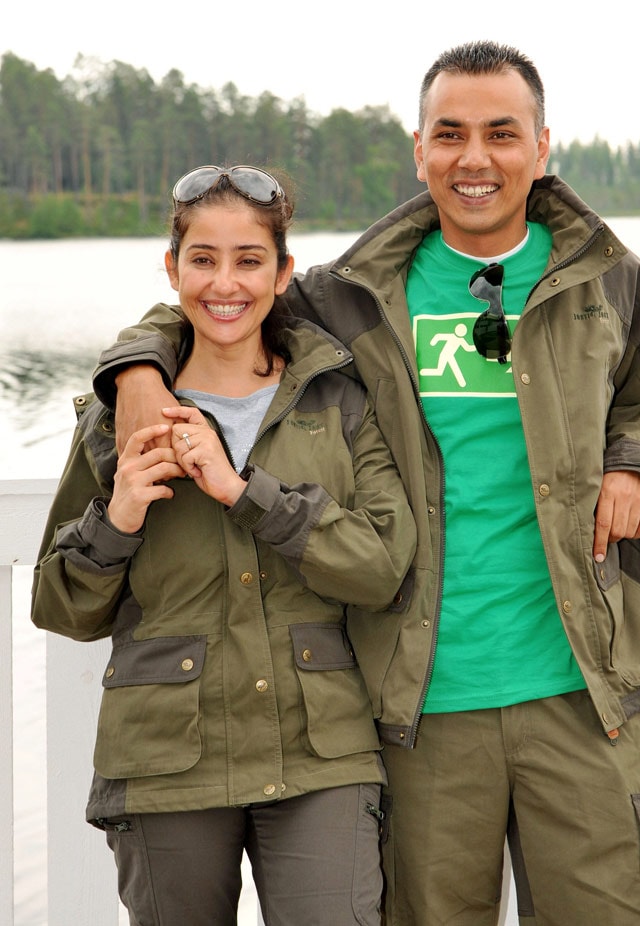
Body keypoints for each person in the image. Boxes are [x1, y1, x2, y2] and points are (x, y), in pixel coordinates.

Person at [89, 42, 640, 926]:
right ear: (420, 150)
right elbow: (216, 302)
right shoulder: (349, 297)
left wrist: (636, 461)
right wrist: (136, 369)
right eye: (449, 134)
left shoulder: (607, 281)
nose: (475, 158)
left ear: (543, 145)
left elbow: (636, 400)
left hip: (582, 689)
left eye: (501, 133)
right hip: (415, 706)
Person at [31, 163, 417, 926]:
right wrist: (120, 517)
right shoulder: (121, 415)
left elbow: (380, 568)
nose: (225, 283)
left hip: (322, 756)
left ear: (283, 273)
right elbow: (61, 605)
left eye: (249, 260)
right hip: (165, 762)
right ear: (172, 269)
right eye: (203, 259)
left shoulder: (337, 395)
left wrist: (247, 493)